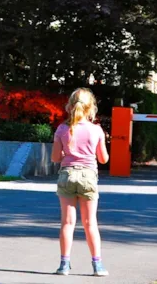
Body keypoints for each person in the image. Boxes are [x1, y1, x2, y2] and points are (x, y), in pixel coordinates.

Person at [51, 88, 109, 277]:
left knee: (67, 223)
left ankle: (64, 265)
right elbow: (103, 159)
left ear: (69, 106)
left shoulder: (62, 129)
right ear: (91, 108)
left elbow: (55, 158)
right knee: (90, 223)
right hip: (88, 177)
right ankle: (97, 265)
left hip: (67, 175)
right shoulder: (96, 130)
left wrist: (67, 151)